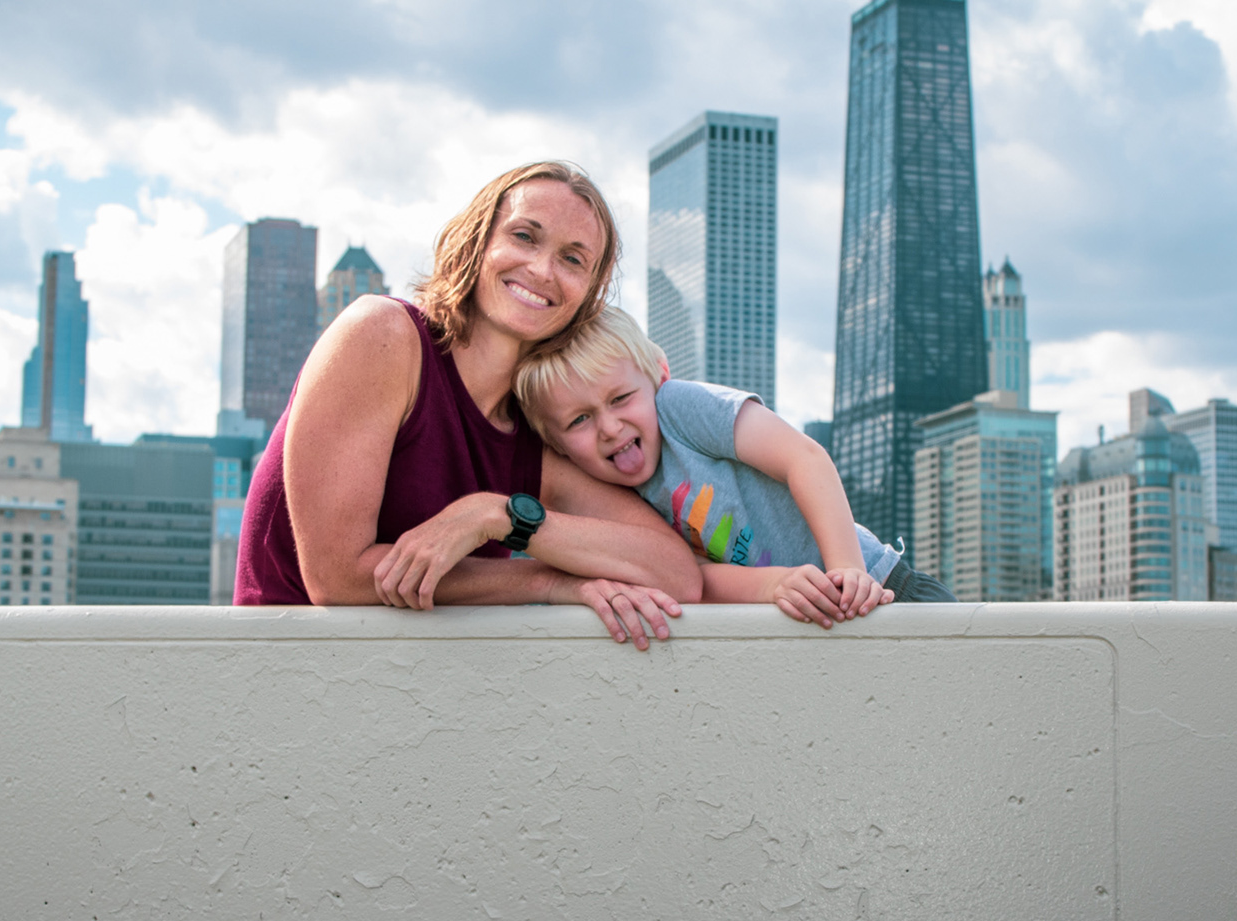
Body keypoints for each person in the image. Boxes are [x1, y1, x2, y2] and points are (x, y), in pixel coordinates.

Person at [234, 162, 701, 648]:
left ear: (589, 296)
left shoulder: (538, 434)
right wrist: (548, 582)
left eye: (573, 259)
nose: (542, 270)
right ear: (478, 241)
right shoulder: (384, 337)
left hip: (424, 691)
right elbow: (338, 579)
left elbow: (675, 574)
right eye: (524, 236)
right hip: (286, 679)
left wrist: (495, 516)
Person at [514, 306, 957, 628]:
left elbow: (802, 458)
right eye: (579, 420)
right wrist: (773, 586)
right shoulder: (608, 501)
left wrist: (849, 570)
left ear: (659, 375)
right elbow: (693, 579)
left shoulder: (677, 409)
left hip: (886, 587)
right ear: (556, 446)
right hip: (802, 621)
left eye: (620, 398)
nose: (610, 427)